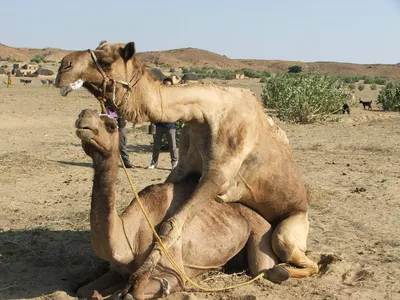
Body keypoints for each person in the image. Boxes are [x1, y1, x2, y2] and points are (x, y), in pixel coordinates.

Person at [148, 77, 178, 170]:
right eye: (164, 85)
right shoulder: (159, 97)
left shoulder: (174, 98)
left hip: (170, 125)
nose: (166, 87)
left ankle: (174, 163)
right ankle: (154, 162)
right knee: (156, 146)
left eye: (168, 85)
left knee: (172, 146)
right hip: (159, 124)